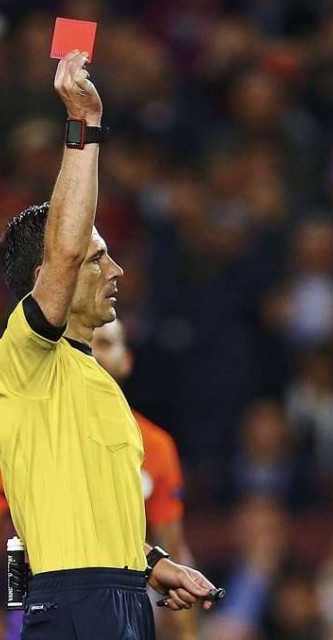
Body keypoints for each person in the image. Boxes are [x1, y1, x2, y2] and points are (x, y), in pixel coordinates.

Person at [0, 51, 218, 639]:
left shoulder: (96, 380)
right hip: (71, 604)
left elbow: (90, 507)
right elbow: (64, 250)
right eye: (99, 258)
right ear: (54, 274)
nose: (117, 270)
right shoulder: (22, 360)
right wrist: (83, 125)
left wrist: (148, 565)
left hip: (122, 601)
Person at [0, 318, 200, 640]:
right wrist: (11, 603)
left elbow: (171, 542)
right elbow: (9, 529)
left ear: (127, 360)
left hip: (125, 587)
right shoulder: (32, 431)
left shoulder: (157, 447)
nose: (93, 353)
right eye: (85, 344)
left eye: (106, 344)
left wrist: (185, 629)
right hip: (39, 585)